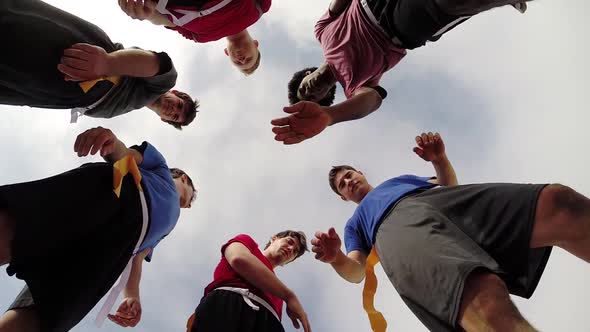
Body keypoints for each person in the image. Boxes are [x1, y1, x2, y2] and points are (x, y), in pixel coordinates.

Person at [312, 131, 590, 331]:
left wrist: (439, 159)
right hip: (396, 227)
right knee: (479, 296)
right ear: (343, 198)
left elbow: (448, 185)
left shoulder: (401, 180)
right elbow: (357, 271)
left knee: (558, 203)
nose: (348, 181)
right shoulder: (356, 223)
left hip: (445, 203)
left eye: (349, 175)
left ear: (360, 172)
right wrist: (336, 256)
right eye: (342, 185)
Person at [0, 126, 197, 332]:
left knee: (51, 311)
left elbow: (137, 259)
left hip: (115, 250)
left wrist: (131, 296)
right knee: (26, 225)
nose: (189, 205)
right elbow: (127, 155)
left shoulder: (164, 230)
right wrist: (111, 143)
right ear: (183, 178)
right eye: (191, 197)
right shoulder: (160, 166)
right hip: (116, 193)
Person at [271, 0, 529, 144]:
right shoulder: (354, 84)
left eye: (303, 87)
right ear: (327, 94)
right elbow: (370, 102)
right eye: (313, 97)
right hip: (402, 24)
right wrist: (329, 116)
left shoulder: (322, 31)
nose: (310, 90)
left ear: (306, 73)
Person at [1, 0, 199, 129]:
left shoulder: (130, 105)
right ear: (175, 92)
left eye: (175, 117)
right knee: (14, 25)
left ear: (164, 120)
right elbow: (155, 63)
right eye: (179, 106)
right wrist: (108, 63)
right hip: (88, 60)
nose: (173, 110)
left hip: (56, 96)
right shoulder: (164, 83)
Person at [187, 231, 312, 332]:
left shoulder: (278, 291)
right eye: (289, 242)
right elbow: (239, 259)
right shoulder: (247, 243)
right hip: (228, 306)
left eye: (295, 251)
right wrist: (289, 296)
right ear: (274, 238)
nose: (291, 249)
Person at [118, 0, 268, 75]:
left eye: (238, 63)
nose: (241, 59)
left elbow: (167, 21)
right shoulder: (259, 8)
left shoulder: (201, 38)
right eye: (249, 59)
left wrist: (145, 14)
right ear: (255, 44)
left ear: (227, 53)